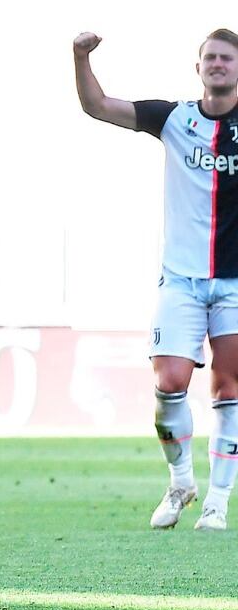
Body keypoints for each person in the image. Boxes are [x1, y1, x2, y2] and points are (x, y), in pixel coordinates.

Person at [74, 27, 238, 531]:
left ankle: (217, 499)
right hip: (182, 280)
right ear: (197, 68)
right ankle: (181, 480)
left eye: (226, 59)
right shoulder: (174, 119)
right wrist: (79, 56)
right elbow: (97, 105)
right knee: (169, 383)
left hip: (234, 284)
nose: (217, 65)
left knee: (228, 389)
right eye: (210, 57)